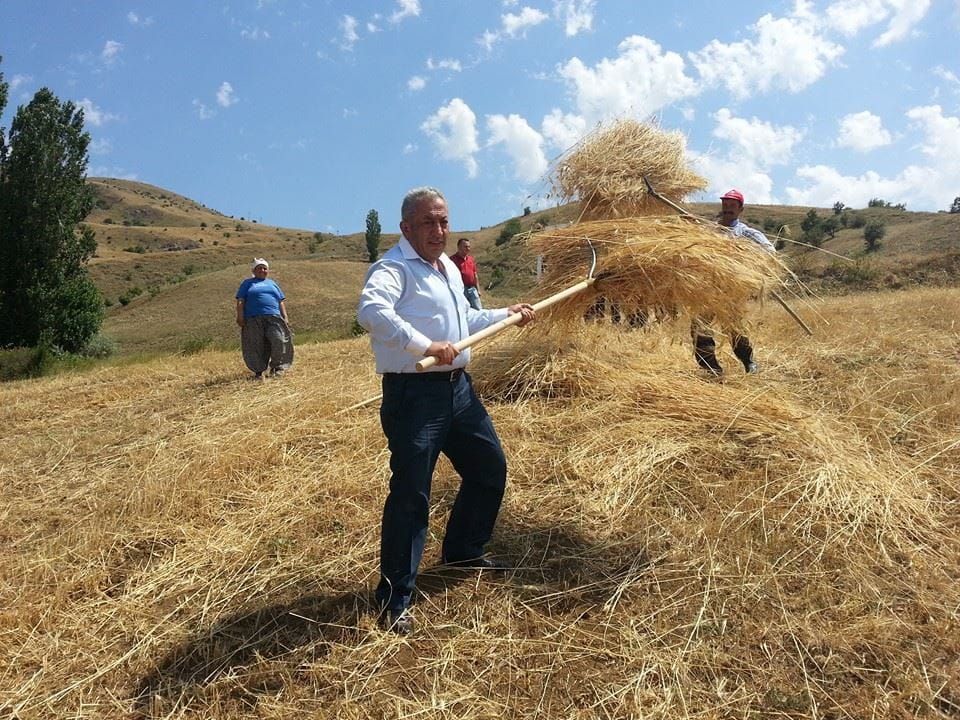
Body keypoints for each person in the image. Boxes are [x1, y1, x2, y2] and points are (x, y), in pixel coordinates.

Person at [357, 187, 536, 635]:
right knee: (412, 494)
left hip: (459, 391)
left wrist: (504, 314)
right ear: (406, 228)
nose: (438, 231)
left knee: (488, 468)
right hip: (414, 398)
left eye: (443, 221)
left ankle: (462, 550)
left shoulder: (448, 272)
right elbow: (371, 311)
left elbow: (464, 325)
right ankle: (395, 597)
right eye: (428, 223)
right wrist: (424, 345)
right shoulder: (393, 269)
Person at [693, 189, 776, 376]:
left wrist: (740, 256)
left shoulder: (745, 233)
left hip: (731, 291)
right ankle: (712, 369)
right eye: (725, 205)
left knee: (735, 328)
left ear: (740, 210)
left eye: (732, 206)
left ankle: (749, 362)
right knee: (700, 328)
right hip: (706, 290)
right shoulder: (709, 231)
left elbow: (770, 252)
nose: (727, 209)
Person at [235, 257, 294, 379]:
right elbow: (241, 300)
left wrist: (285, 317)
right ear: (254, 271)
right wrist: (240, 316)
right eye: (259, 268)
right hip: (253, 319)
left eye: (264, 268)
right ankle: (258, 371)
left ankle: (277, 368)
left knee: (279, 340)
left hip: (274, 317)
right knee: (256, 344)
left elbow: (280, 301)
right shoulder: (247, 283)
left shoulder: (272, 284)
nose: (262, 270)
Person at [450, 237, 482, 309]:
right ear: (459, 247)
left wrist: (478, 290)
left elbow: (475, 275)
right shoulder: (451, 260)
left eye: (469, 246)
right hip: (461, 290)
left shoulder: (470, 259)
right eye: (465, 246)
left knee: (478, 309)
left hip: (472, 289)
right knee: (464, 310)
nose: (468, 248)